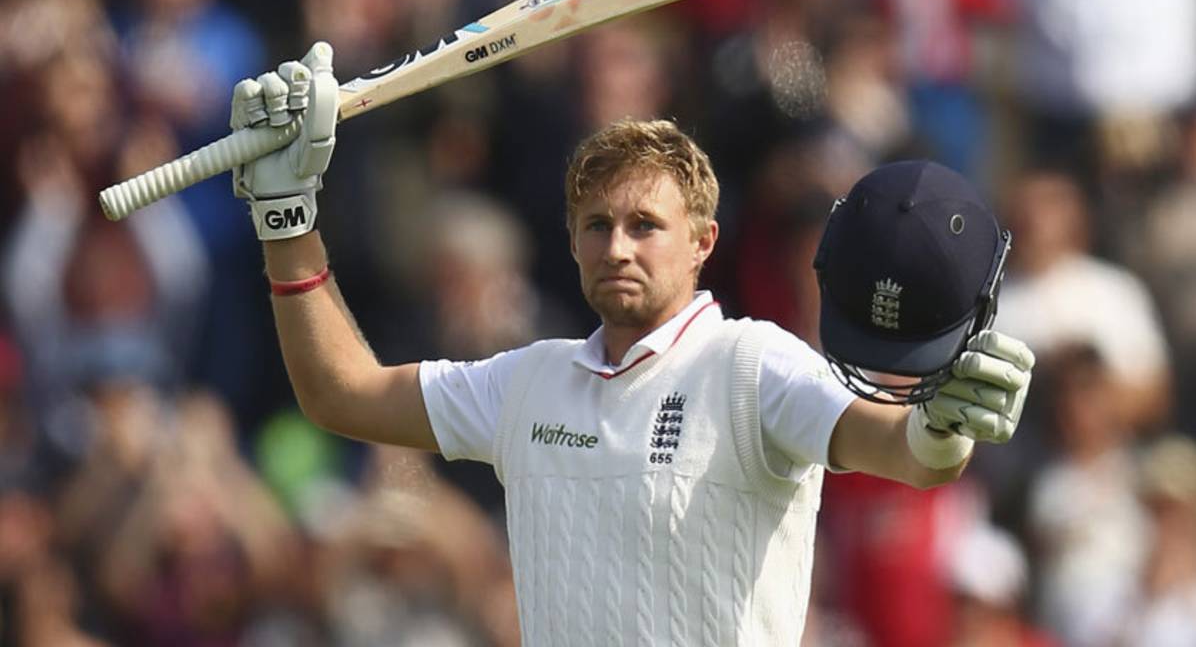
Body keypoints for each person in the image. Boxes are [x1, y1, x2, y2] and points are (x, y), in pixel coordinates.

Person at [230, 42, 1035, 645]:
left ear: (702, 243)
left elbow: (906, 451)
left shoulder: (753, 364)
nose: (618, 247)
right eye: (597, 226)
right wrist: (287, 220)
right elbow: (339, 392)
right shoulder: (527, 382)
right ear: (572, 243)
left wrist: (943, 423)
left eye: (646, 226)